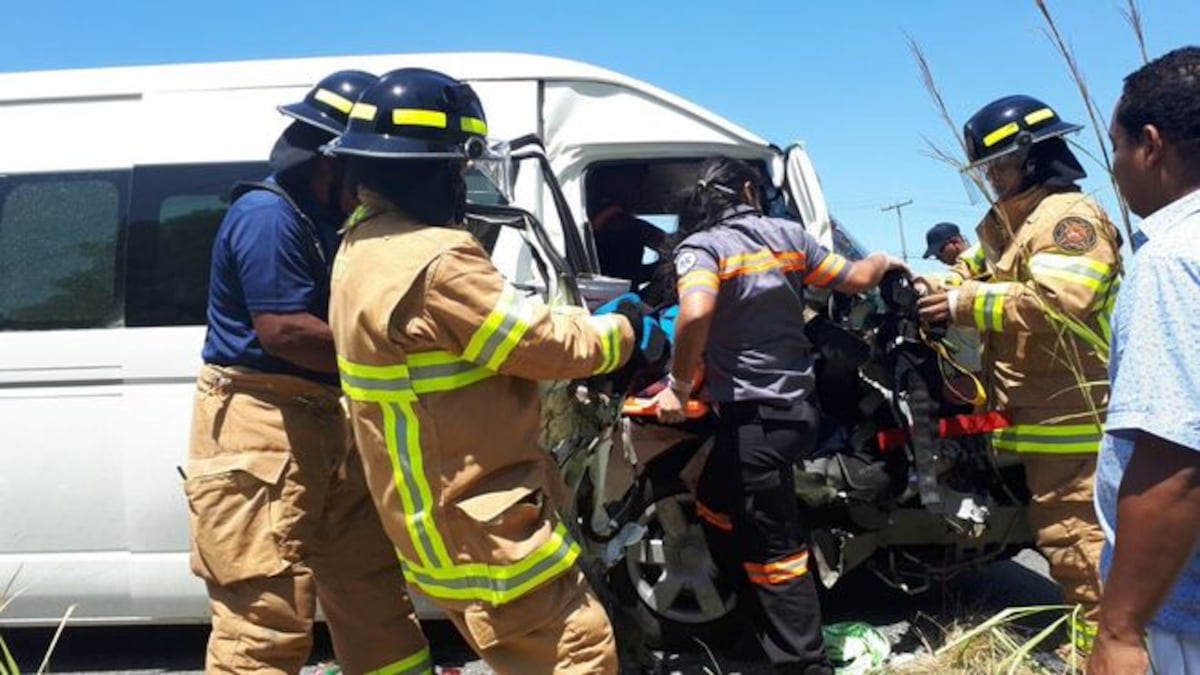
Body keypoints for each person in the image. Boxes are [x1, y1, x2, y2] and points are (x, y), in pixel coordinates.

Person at [323, 67, 641, 675]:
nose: (463, 183)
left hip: (431, 518)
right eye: (459, 168)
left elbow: (470, 335)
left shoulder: (361, 247)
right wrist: (627, 330)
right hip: (480, 522)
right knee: (577, 651)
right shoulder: (437, 259)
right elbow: (540, 344)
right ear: (436, 169)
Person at [183, 70, 433, 673]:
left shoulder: (324, 219)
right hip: (261, 425)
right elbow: (284, 331)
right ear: (331, 160)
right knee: (263, 619)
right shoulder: (269, 216)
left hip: (324, 424)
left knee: (371, 594)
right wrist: (400, 359)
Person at [650, 156, 907, 674]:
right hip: (792, 413)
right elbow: (855, 278)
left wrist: (677, 386)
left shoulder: (701, 249)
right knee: (719, 505)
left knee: (776, 553)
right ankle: (753, 630)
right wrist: (884, 261)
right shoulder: (789, 237)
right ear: (748, 190)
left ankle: (803, 663)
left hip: (756, 423)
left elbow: (696, 311)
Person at [916, 95, 1123, 653]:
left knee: (1076, 539)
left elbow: (1062, 301)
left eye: (997, 165)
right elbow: (971, 272)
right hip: (1041, 413)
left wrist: (964, 304)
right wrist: (927, 288)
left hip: (1073, 414)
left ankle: (1099, 653)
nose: (991, 178)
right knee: (1061, 537)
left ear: (1029, 158)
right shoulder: (1016, 225)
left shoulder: (1066, 219)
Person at [1088, 46, 1200, 675]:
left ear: (1151, 145)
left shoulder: (1174, 260)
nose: (1115, 166)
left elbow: (1175, 460)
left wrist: (1121, 631)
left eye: (1117, 147)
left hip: (1184, 611)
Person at [587, 165, 666, 288]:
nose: (640, 192)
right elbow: (666, 244)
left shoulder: (604, 216)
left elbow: (628, 274)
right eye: (636, 185)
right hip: (612, 297)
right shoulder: (614, 218)